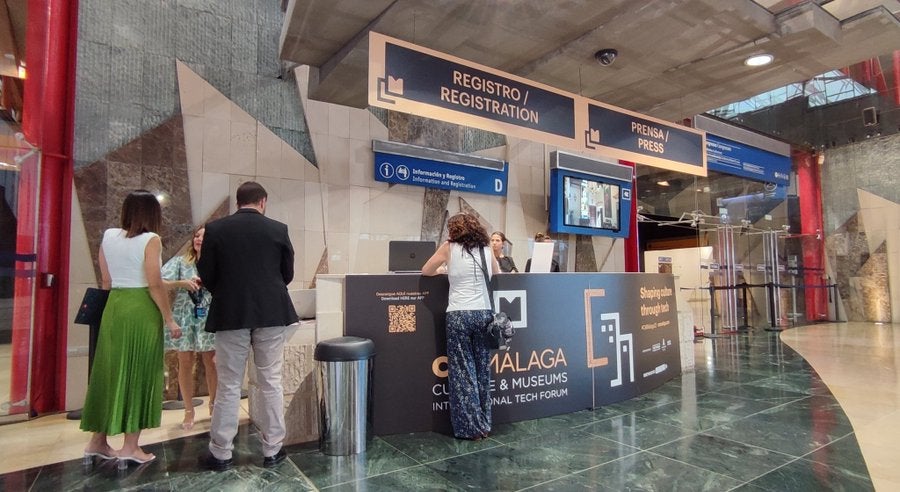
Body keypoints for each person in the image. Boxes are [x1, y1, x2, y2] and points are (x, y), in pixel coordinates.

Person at [196, 181, 299, 470]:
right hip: (271, 312)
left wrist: (228, 292)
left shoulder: (216, 229)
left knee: (228, 384)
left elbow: (207, 273)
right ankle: (272, 450)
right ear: (263, 202)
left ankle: (221, 453)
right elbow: (286, 274)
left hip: (231, 313)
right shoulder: (278, 229)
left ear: (238, 202)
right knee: (270, 381)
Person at [80, 190, 182, 469]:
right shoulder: (152, 240)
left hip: (115, 307)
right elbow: (154, 283)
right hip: (140, 309)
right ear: (152, 214)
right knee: (138, 371)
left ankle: (96, 442)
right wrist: (169, 318)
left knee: (110, 372)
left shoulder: (109, 236)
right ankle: (130, 447)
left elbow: (107, 280)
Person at [422, 213, 499, 440]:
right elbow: (496, 272)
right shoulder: (487, 248)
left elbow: (426, 270)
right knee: (482, 370)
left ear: (454, 230)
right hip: (483, 313)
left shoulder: (449, 248)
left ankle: (470, 429)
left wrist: (443, 271)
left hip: (458, 315)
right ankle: (484, 425)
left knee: (463, 373)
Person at [162, 224, 216, 431]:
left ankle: (213, 406)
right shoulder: (181, 262)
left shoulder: (215, 262)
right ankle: (188, 410)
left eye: (203, 236)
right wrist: (182, 284)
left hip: (207, 314)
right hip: (185, 315)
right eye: (196, 236)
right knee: (184, 361)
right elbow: (159, 280)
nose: (198, 239)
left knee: (211, 361)